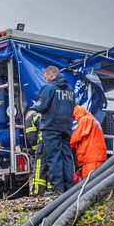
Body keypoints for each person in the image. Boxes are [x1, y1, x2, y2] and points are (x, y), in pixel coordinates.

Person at [32, 65, 75, 194]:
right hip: (66, 127)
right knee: (66, 156)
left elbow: (41, 106)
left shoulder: (48, 87)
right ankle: (69, 187)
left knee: (54, 157)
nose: (45, 80)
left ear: (51, 75)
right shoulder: (70, 90)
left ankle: (57, 188)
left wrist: (36, 105)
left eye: (46, 77)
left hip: (51, 127)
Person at [71, 106, 108, 178]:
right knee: (98, 180)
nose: (75, 119)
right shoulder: (94, 120)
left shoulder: (85, 120)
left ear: (78, 113)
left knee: (89, 183)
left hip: (90, 157)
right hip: (98, 156)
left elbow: (75, 138)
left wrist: (65, 146)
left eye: (74, 116)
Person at [24, 109, 50, 196]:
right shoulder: (42, 116)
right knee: (51, 166)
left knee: (39, 166)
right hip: (53, 141)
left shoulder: (29, 119)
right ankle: (51, 189)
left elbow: (32, 138)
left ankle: (38, 192)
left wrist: (35, 151)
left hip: (42, 143)